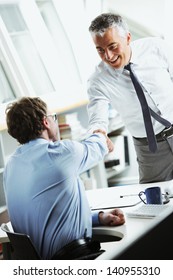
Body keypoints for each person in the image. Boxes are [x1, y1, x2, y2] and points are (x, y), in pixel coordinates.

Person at [3, 96, 125, 260]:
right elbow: (99, 145)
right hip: (73, 261)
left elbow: (47, 217)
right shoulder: (60, 153)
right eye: (53, 118)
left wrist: (99, 217)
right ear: (46, 122)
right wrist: (102, 135)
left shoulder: (11, 166)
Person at [87, 12, 173, 184]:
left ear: (127, 38)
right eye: (100, 50)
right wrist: (99, 132)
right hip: (150, 149)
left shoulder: (157, 48)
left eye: (112, 46)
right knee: (155, 203)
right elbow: (98, 114)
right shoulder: (98, 80)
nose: (108, 56)